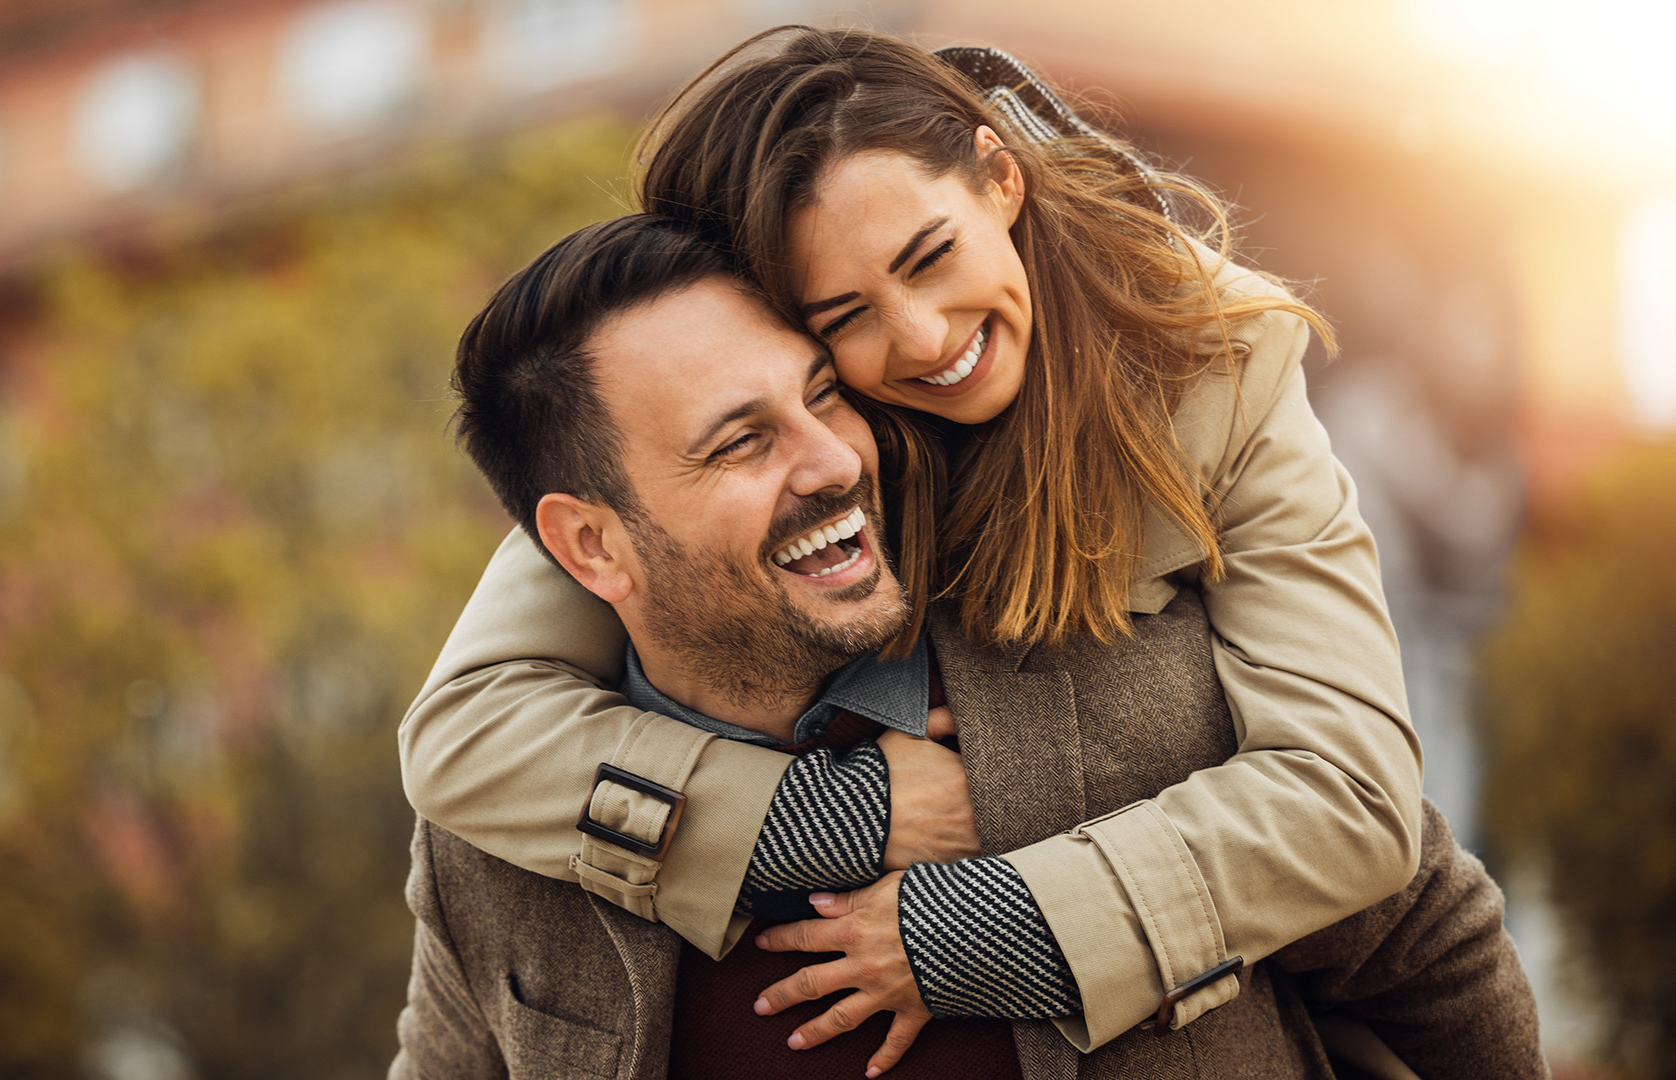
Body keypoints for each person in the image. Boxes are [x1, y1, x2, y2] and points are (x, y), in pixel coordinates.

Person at [400, 24, 1424, 1060]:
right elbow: (471, 736)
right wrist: (842, 817)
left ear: (1000, 179)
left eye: (930, 256)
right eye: (843, 317)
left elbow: (1360, 807)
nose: (927, 339)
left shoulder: (1212, 363)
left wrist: (983, 928)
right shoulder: (710, 468)